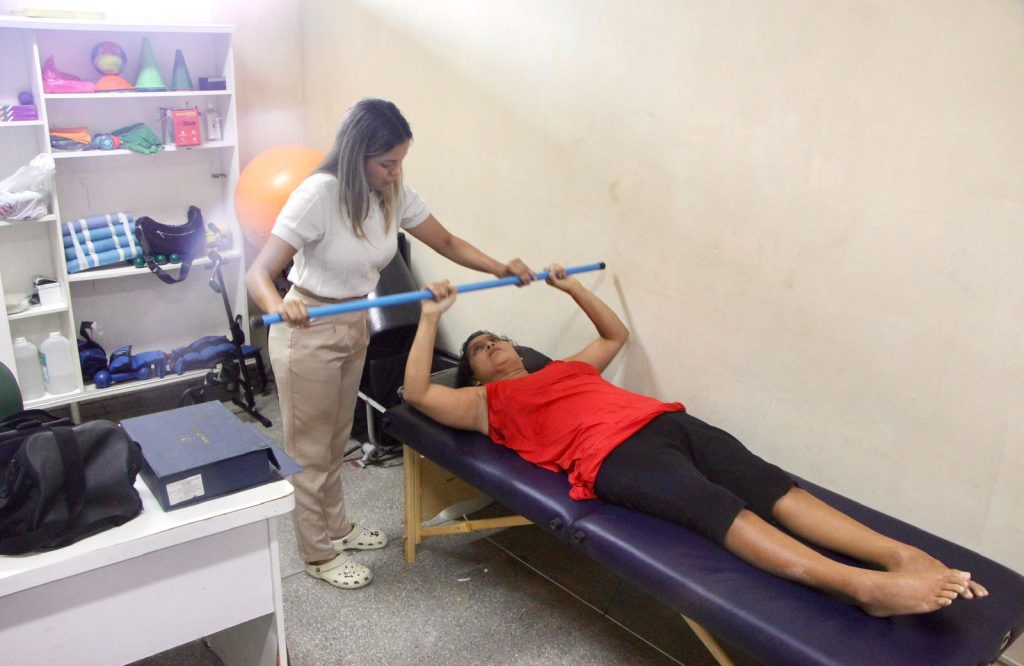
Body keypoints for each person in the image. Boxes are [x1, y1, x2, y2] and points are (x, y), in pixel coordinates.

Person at [402, 266, 989, 617]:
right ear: (474, 374)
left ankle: (895, 555)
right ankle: (862, 587)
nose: (492, 347)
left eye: (496, 339)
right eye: (479, 349)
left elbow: (614, 334)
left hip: (666, 422)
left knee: (771, 486)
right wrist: (430, 318)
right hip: (613, 456)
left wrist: (572, 288)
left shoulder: (567, 368)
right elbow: (418, 393)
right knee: (717, 507)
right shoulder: (485, 404)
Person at [246, 98, 534, 590]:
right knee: (310, 448)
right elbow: (259, 272)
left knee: (337, 437)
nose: (395, 172)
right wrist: (279, 303)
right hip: (309, 326)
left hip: (354, 319)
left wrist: (499, 267)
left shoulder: (393, 193)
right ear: (356, 155)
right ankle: (317, 553)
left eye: (400, 161)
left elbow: (446, 242)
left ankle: (337, 526)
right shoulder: (318, 194)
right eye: (386, 163)